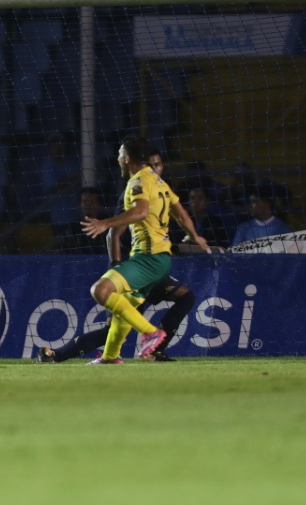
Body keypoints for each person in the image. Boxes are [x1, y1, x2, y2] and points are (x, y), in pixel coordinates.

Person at [39, 149, 199, 363]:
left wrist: (193, 237)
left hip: (150, 268)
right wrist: (116, 264)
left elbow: (179, 215)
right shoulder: (135, 192)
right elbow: (114, 233)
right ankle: (59, 355)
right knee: (113, 328)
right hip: (135, 268)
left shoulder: (159, 189)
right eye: (151, 165)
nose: (155, 169)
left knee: (186, 297)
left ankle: (155, 349)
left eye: (158, 164)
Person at [80, 136, 210, 364]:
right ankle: (110, 356)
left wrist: (105, 223)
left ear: (127, 158)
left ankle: (150, 332)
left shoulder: (138, 182)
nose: (118, 158)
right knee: (126, 305)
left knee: (100, 291)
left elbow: (141, 211)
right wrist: (195, 235)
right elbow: (180, 213)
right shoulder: (160, 182)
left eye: (120, 154)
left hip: (147, 259)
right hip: (161, 259)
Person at [52, 186, 111, 255]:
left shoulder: (108, 229)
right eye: (85, 201)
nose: (88, 204)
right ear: (79, 205)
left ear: (99, 205)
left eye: (92, 201)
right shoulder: (71, 231)